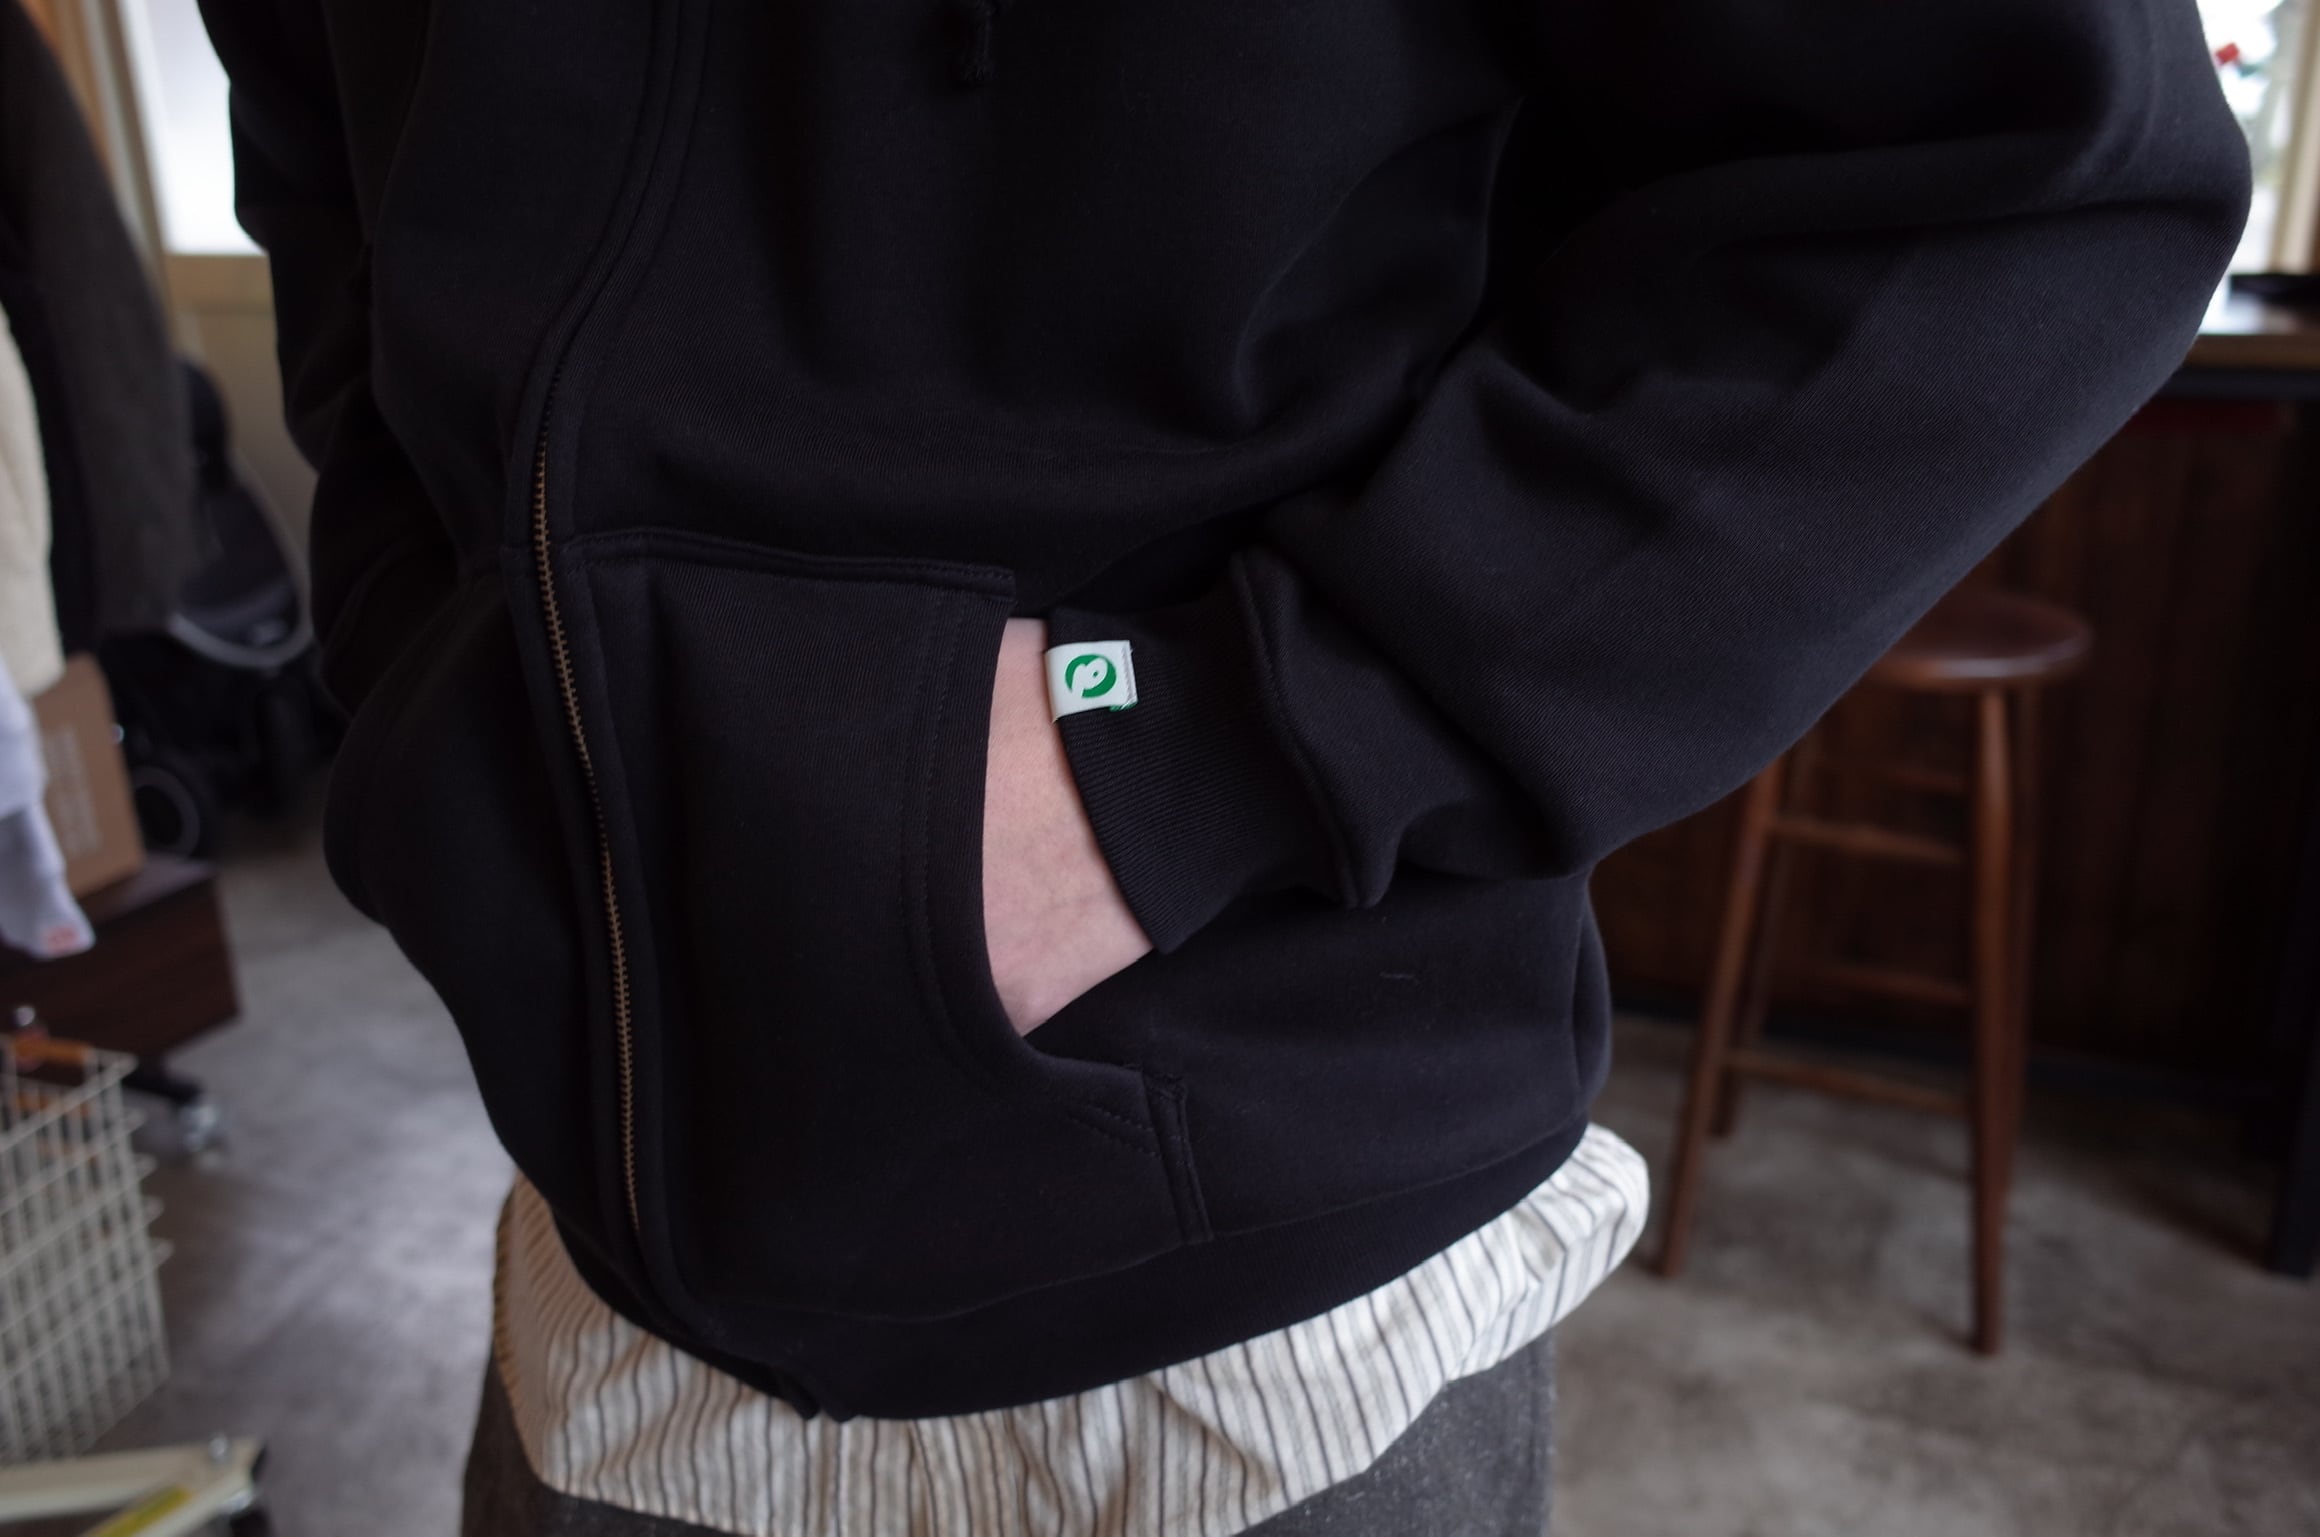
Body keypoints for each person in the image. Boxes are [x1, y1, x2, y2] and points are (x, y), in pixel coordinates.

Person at [193, 0, 2248, 1530]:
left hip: (1259, 1323)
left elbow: (2039, 163)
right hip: (605, 1285)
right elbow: (317, 148)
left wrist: (1216, 751)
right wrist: (425, 684)